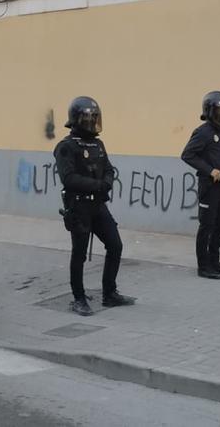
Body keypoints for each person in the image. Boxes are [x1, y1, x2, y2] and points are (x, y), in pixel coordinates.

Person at [55, 96, 136, 316]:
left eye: (94, 118)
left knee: (115, 245)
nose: (91, 122)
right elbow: (69, 178)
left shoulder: (98, 144)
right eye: (87, 118)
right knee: (79, 254)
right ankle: (79, 298)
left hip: (98, 206)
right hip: (79, 207)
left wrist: (107, 182)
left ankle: (109, 293)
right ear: (76, 119)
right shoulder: (66, 147)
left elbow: (109, 168)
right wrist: (98, 185)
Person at [181, 91, 220, 280]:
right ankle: (203, 266)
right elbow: (187, 155)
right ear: (210, 111)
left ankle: (214, 260)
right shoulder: (203, 132)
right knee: (207, 226)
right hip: (210, 187)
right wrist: (209, 170)